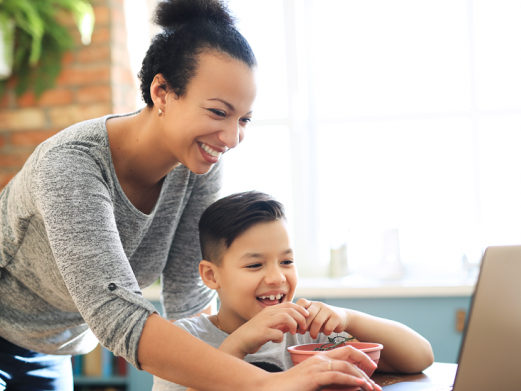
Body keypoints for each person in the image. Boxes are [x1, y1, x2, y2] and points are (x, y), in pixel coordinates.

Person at [0, 1, 384, 390]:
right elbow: (117, 314)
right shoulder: (71, 166)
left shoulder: (197, 167)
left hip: (51, 348)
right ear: (162, 92)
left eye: (244, 119)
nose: (233, 138)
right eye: (219, 112)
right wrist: (267, 385)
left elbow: (191, 306)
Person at [152, 191, 435, 391]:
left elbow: (420, 357)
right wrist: (238, 344)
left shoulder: (306, 331)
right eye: (254, 265)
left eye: (287, 261)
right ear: (212, 275)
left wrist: (349, 319)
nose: (277, 277)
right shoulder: (184, 340)